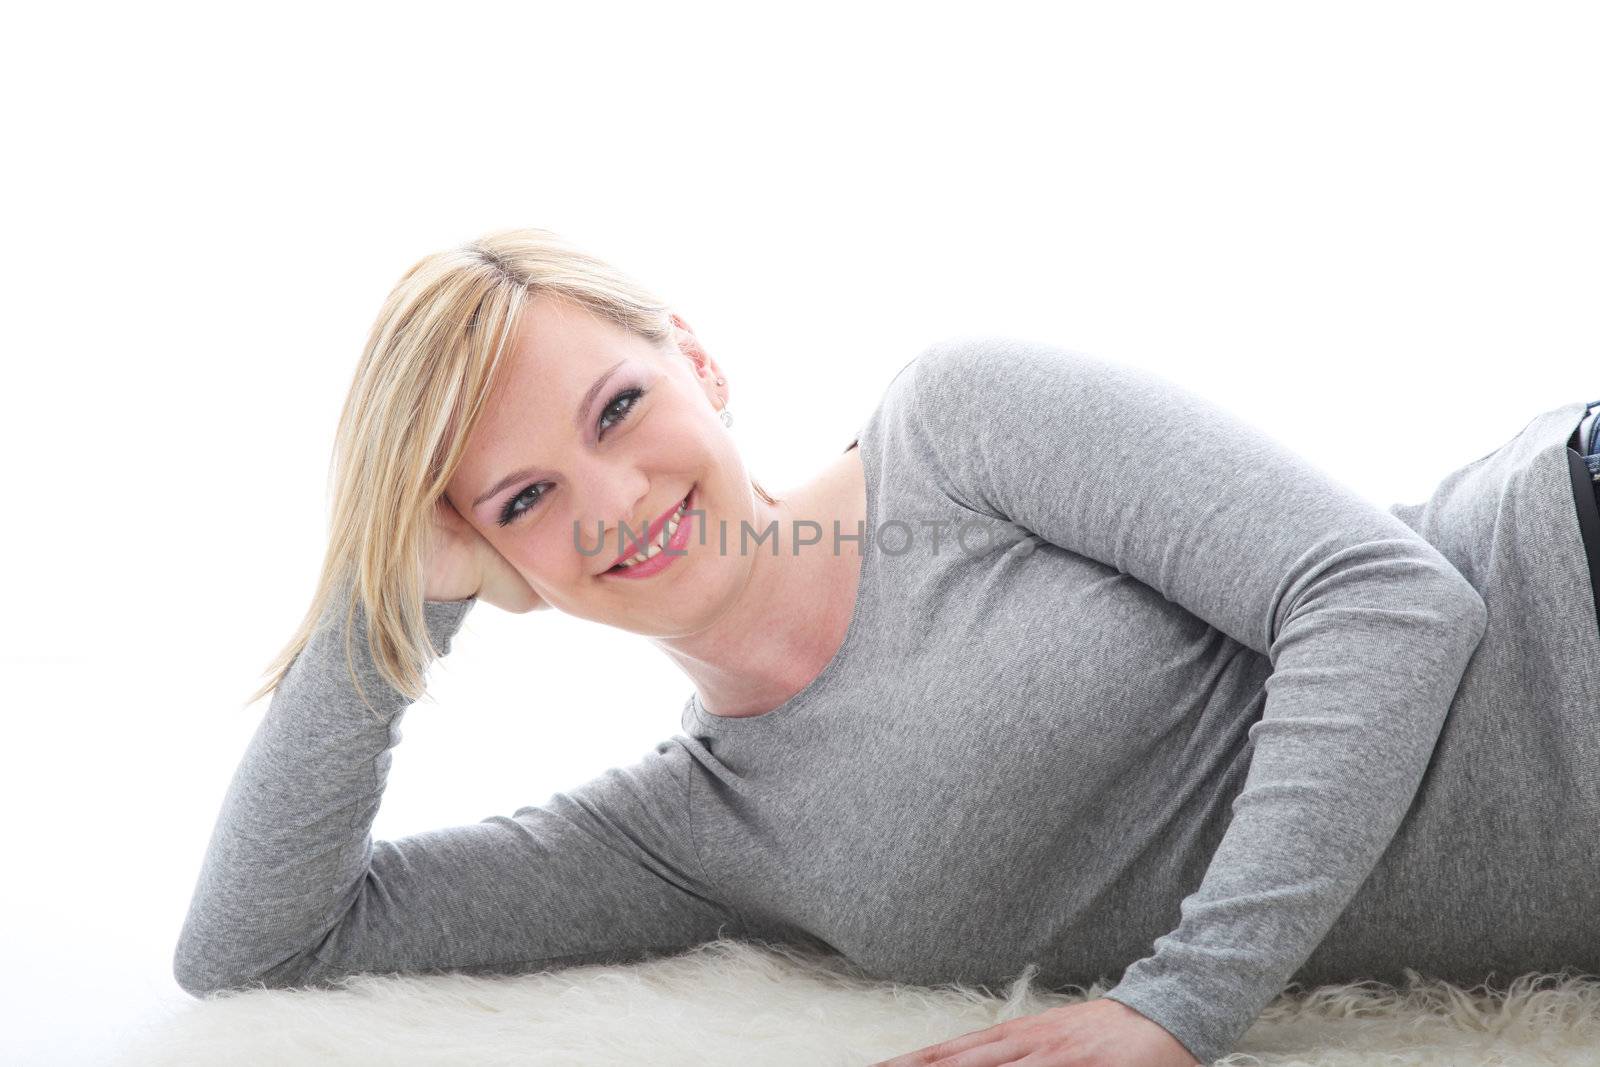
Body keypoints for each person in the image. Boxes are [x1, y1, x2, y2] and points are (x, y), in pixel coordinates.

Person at [172, 226, 1600, 1067]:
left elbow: (1388, 601)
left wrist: (1178, 1007)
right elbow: (261, 941)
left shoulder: (958, 429)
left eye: (615, 410)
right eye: (525, 499)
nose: (612, 503)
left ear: (701, 365)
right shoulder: (688, 838)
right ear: (497, 557)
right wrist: (396, 602)